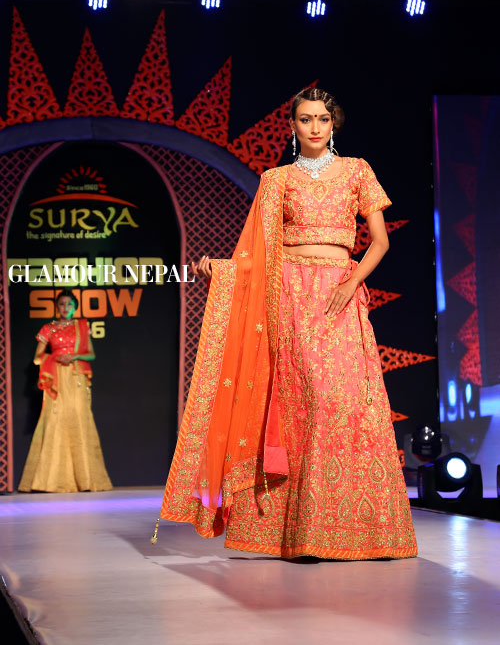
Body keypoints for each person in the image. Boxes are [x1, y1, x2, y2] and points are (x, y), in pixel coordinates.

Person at [157, 87, 417, 559]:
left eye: (322, 118)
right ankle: (303, 533)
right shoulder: (275, 179)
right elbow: (259, 253)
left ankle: (368, 529)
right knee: (305, 406)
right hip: (291, 296)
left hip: (340, 293)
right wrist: (224, 270)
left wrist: (351, 282)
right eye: (305, 119)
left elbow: (379, 242)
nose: (315, 127)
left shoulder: (357, 171)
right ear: (293, 126)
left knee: (348, 405)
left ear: (334, 123)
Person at [18, 291, 112, 493]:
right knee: (55, 420)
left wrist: (74, 356)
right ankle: (51, 481)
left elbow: (91, 355)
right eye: (62, 304)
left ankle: (85, 480)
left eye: (69, 304)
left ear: (75, 307)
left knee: (79, 420)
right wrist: (54, 358)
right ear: (57, 306)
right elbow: (37, 357)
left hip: (77, 377)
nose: (65, 308)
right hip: (56, 378)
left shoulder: (82, 326)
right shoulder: (48, 328)